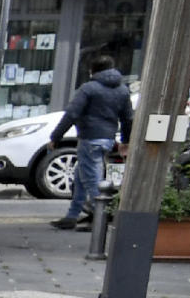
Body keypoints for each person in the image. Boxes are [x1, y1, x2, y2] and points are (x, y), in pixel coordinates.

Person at [50, 52, 131, 230]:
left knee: (92, 180)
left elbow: (71, 113)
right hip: (108, 139)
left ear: (92, 70)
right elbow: (127, 118)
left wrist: (56, 137)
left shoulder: (89, 88)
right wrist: (126, 140)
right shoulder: (123, 90)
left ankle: (99, 217)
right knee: (81, 178)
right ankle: (72, 215)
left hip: (90, 138)